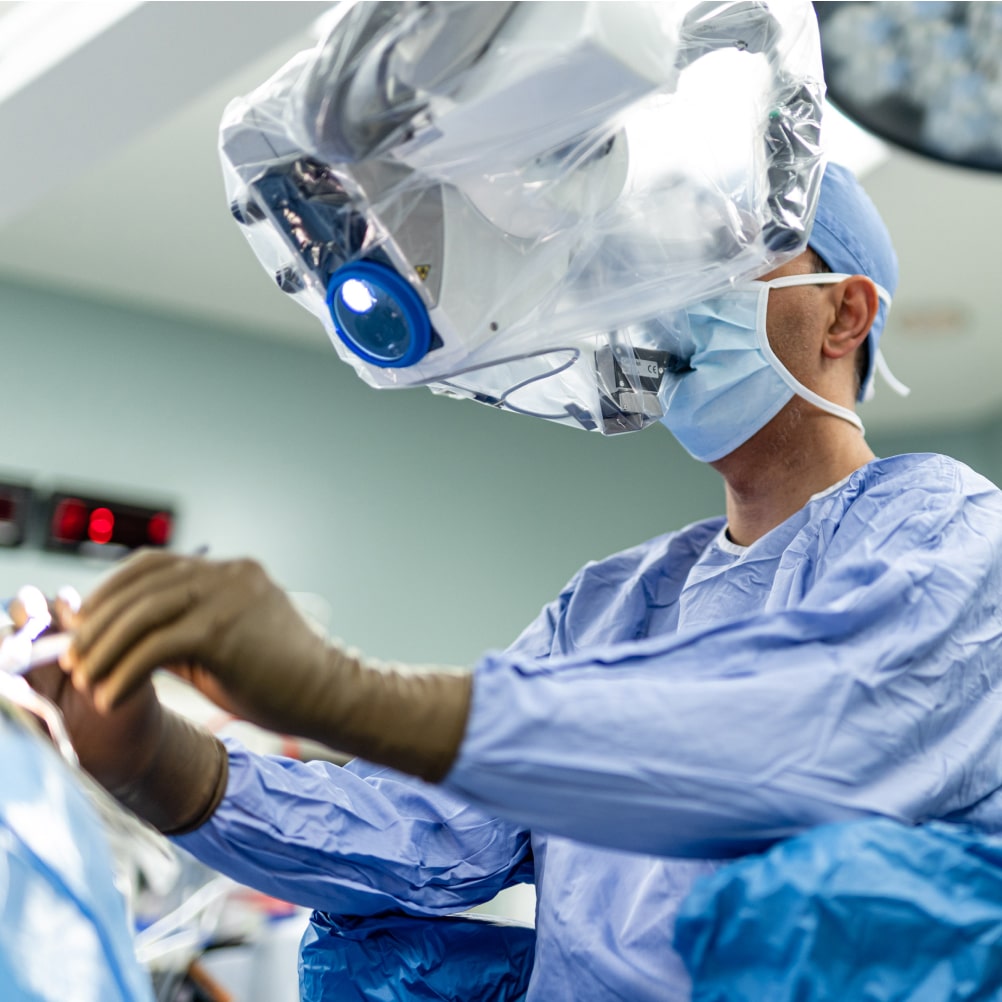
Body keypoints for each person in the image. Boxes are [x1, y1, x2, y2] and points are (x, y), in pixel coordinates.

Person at [30, 161, 1002, 1001]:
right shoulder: (617, 602)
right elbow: (431, 833)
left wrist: (336, 689)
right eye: (665, 266)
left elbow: (770, 743)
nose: (675, 299)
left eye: (729, 262)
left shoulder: (958, 542)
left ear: (846, 311)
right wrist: (153, 759)